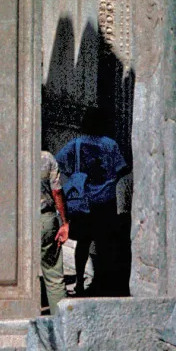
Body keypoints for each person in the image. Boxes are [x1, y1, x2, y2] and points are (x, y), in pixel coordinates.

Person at [54, 112, 130, 297]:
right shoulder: (110, 145)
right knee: (105, 243)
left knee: (83, 243)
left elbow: (59, 162)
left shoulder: (77, 144)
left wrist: (75, 176)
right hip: (106, 200)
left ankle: (80, 281)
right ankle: (103, 281)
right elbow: (122, 168)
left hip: (84, 200)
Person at [40, 149, 69, 312]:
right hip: (44, 218)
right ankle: (61, 322)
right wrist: (65, 222)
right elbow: (56, 191)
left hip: (14, 220)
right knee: (53, 274)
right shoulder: (46, 157)